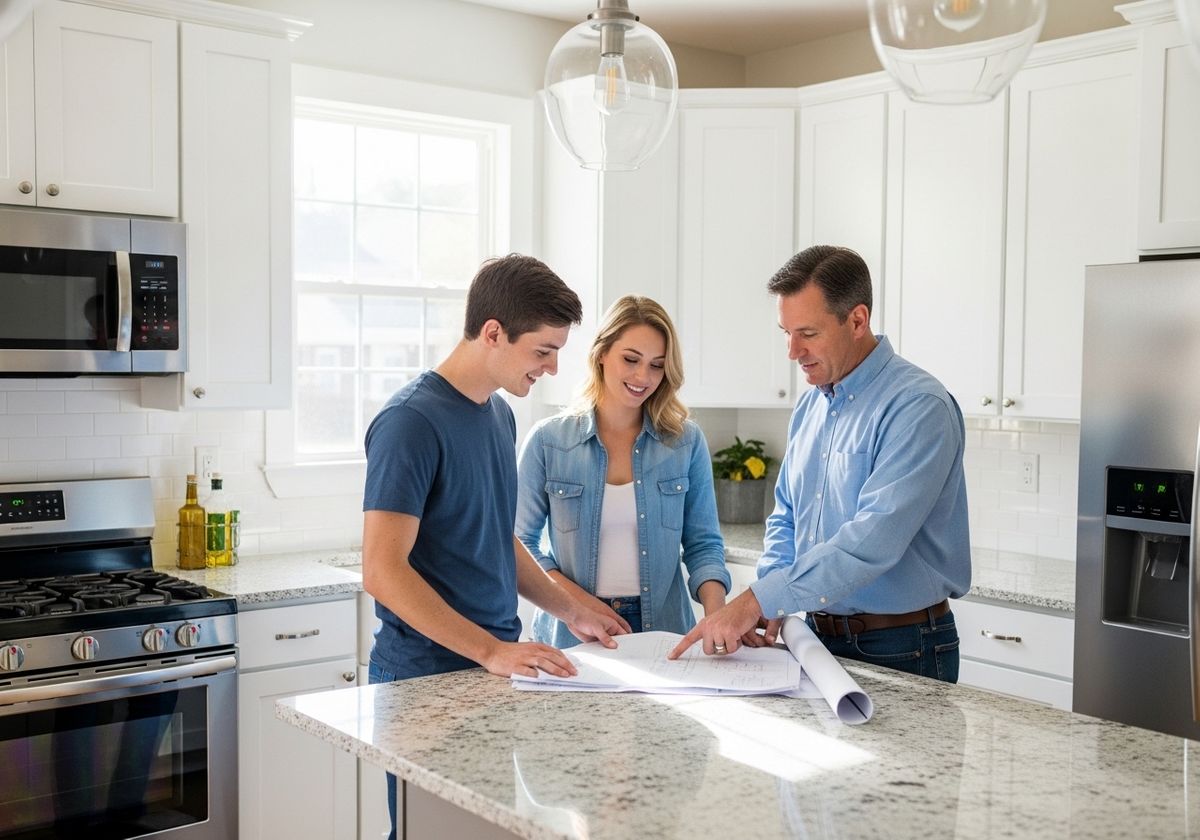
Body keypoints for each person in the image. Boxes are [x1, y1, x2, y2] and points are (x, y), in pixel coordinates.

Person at [362, 254, 629, 840]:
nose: (554, 368)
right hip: (424, 679)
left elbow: (493, 538)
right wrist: (490, 651)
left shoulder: (498, 416)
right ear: (492, 333)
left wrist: (571, 609)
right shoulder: (410, 422)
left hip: (494, 671)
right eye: (542, 350)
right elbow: (383, 571)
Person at [670, 245, 970, 683]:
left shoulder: (918, 407)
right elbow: (787, 515)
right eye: (785, 333)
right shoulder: (811, 406)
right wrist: (774, 599)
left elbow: (870, 541)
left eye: (807, 333)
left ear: (857, 320)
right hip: (814, 638)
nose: (793, 351)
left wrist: (756, 600)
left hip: (904, 644)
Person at [516, 295, 730, 646]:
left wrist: (717, 616)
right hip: (574, 632)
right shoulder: (548, 441)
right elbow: (520, 545)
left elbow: (703, 543)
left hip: (664, 629)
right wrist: (578, 606)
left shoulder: (685, 441)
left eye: (657, 365)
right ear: (601, 353)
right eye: (630, 359)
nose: (643, 376)